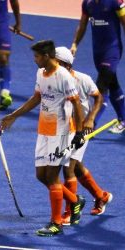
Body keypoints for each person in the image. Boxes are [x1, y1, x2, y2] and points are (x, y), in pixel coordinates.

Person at [0, 40, 86, 237]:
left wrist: (79, 132)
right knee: (41, 175)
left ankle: (56, 223)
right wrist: (14, 115)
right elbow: (36, 98)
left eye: (37, 56)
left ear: (47, 56)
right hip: (43, 130)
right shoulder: (40, 73)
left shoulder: (63, 76)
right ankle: (74, 200)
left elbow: (77, 104)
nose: (34, 60)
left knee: (52, 177)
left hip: (60, 132)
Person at [55, 47, 113, 225]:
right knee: (77, 167)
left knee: (68, 168)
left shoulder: (83, 79)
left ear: (66, 64)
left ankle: (70, 212)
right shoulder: (53, 78)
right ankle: (101, 195)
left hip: (80, 130)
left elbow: (99, 98)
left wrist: (90, 119)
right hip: (63, 129)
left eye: (56, 62)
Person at [70, 0, 125, 133]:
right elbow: (82, 25)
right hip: (98, 53)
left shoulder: (116, 2)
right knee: (112, 84)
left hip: (112, 51)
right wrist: (75, 44)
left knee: (101, 86)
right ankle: (123, 119)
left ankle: (91, 123)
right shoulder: (87, 3)